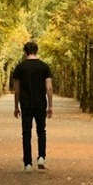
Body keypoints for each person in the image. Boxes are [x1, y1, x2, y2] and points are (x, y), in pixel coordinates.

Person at [10, 41, 53, 171]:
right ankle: (41, 157)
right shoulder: (44, 67)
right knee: (41, 131)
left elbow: (17, 90)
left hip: (26, 104)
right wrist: (50, 105)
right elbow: (49, 87)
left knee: (26, 133)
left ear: (25, 51)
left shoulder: (20, 67)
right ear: (36, 50)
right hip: (40, 103)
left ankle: (27, 164)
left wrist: (16, 107)